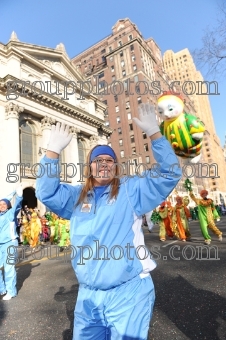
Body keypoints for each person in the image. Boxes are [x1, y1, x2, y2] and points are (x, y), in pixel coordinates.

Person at [36, 103, 182, 339]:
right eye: (98, 160)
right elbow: (47, 193)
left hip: (128, 293)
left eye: (109, 160)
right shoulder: (76, 197)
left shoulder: (131, 190)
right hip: (88, 298)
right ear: (90, 167)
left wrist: (155, 134)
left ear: (115, 167)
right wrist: (52, 152)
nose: (104, 163)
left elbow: (169, 173)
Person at [0, 185, 23, 300]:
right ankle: (2, 289)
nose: (2, 206)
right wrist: (12, 192)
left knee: (9, 268)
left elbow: (17, 205)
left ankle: (11, 291)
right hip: (0, 245)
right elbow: (4, 199)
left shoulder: (10, 214)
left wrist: (18, 195)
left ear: (8, 206)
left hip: (10, 243)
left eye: (4, 204)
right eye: (0, 204)